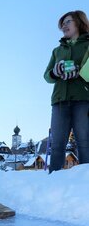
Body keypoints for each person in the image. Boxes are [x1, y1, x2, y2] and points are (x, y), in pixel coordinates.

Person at [44, 10, 89, 172]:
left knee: (84, 141)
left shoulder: (88, 45)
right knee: (57, 145)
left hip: (83, 99)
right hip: (59, 101)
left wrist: (81, 71)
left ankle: (86, 181)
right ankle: (53, 181)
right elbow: (46, 76)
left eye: (68, 21)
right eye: (62, 24)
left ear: (79, 23)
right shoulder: (57, 51)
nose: (64, 25)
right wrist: (55, 72)